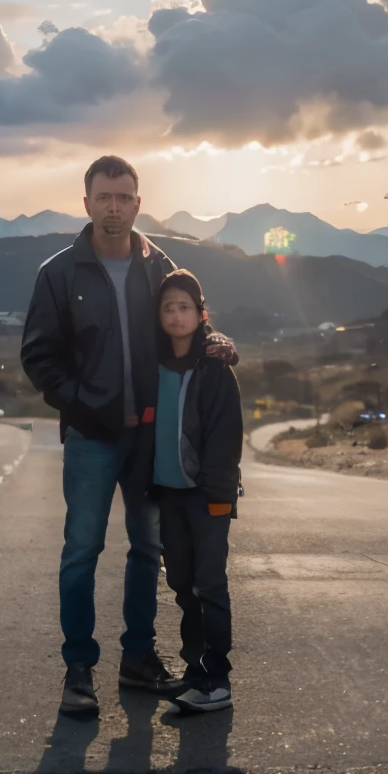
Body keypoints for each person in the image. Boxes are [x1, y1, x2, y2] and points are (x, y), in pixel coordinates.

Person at [21, 155, 236, 718]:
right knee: (82, 550)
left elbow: (185, 317)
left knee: (147, 549)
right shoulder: (59, 273)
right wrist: (81, 404)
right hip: (91, 438)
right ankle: (78, 670)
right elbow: (38, 355)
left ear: (138, 203)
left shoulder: (157, 265)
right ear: (86, 202)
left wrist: (218, 344)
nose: (113, 207)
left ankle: (139, 659)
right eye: (103, 197)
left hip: (148, 437)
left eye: (124, 197)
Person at [148, 269, 242, 714]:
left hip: (208, 496)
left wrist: (218, 493)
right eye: (168, 307)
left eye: (185, 306)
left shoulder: (215, 369)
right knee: (183, 585)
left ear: (200, 313)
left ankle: (216, 680)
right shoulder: (153, 365)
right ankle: (195, 671)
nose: (176, 314)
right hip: (168, 493)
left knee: (209, 585)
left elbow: (226, 437)